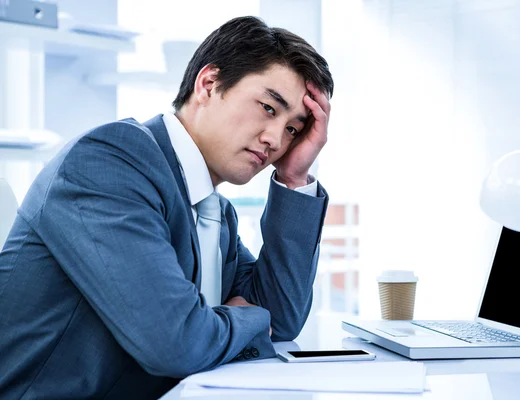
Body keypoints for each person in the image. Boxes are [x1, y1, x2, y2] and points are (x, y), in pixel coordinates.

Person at [0, 16, 333, 399]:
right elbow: (176, 343)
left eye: (294, 128)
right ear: (208, 84)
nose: (276, 140)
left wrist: (294, 180)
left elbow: (283, 317)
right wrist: (251, 318)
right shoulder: (110, 163)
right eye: (269, 108)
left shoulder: (215, 212)